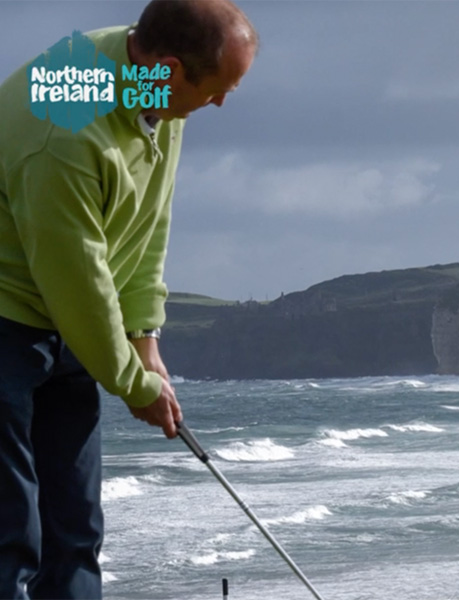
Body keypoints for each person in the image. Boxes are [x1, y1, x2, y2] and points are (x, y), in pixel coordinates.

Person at [0, 1, 256, 597]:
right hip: (10, 319)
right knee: (12, 537)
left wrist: (146, 335)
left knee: (76, 530)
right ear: (168, 68)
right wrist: (134, 384)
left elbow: (148, 223)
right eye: (217, 90)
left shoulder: (154, 87)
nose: (221, 103)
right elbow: (77, 281)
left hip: (67, 327)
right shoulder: (61, 131)